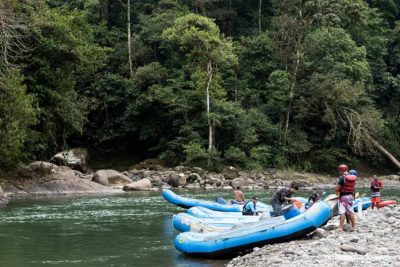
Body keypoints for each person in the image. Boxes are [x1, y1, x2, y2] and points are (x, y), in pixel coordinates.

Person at [336, 164, 357, 231]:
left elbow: (337, 188)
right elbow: (353, 188)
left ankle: (341, 227)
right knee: (350, 212)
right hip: (350, 196)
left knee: (342, 212)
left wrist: (337, 192)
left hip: (343, 197)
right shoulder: (352, 177)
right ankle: (353, 226)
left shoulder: (342, 178)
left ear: (341, 170)